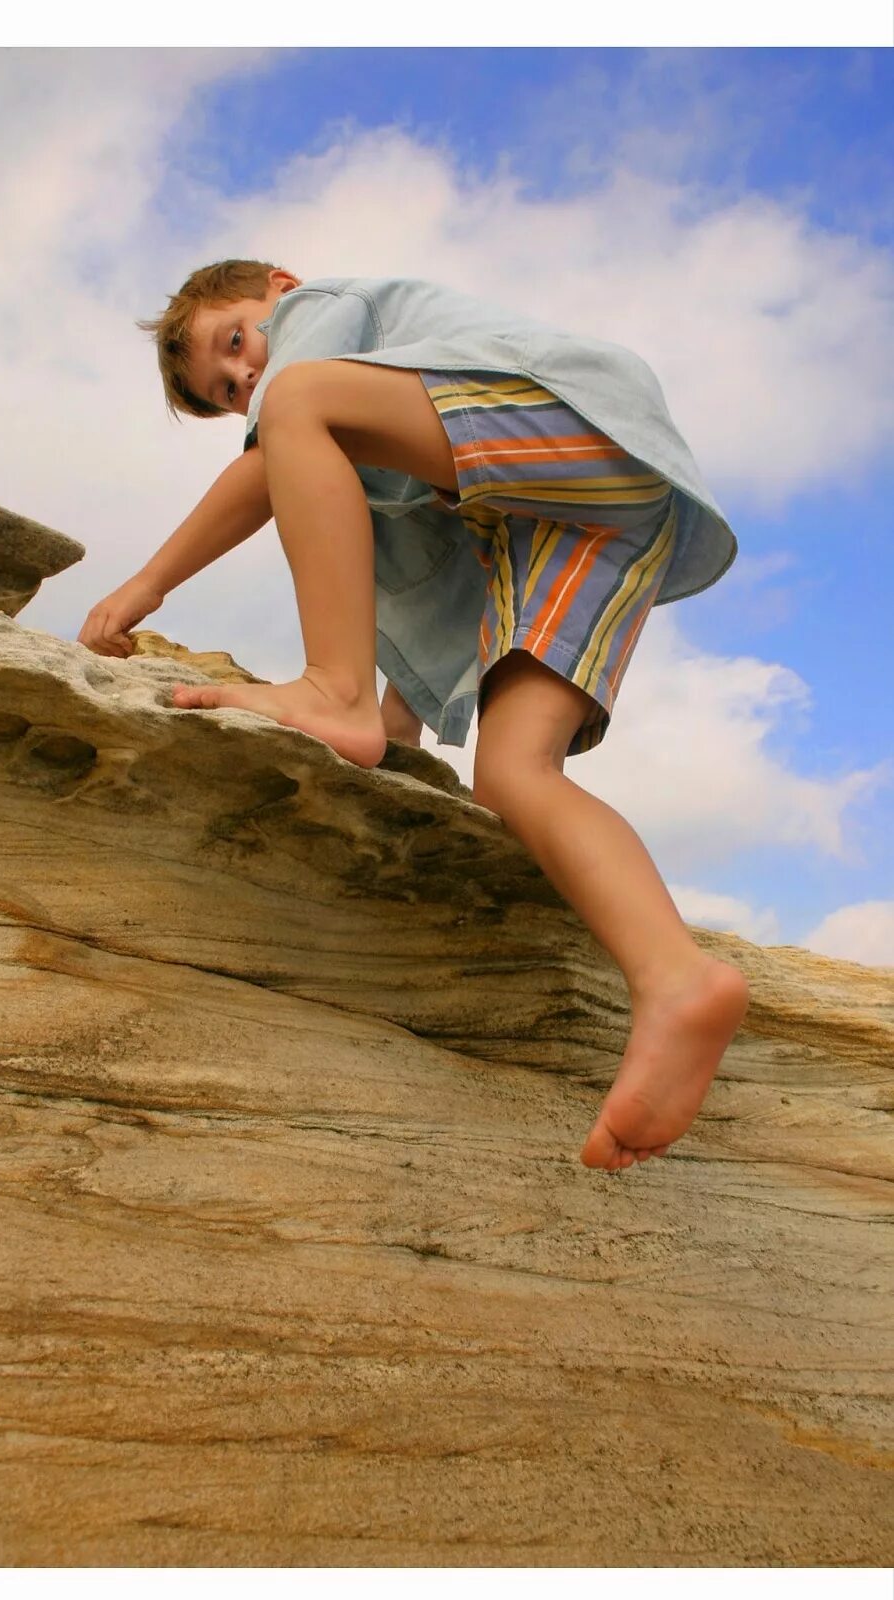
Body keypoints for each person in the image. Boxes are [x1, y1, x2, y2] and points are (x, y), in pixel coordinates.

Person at [78, 260, 750, 1173]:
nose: (246, 383)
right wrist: (395, 731)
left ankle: (331, 684)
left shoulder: (327, 313)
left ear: (278, 286)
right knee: (515, 775)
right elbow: (431, 599)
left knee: (301, 409)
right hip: (582, 519)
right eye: (227, 389)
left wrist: (145, 584)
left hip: (584, 424)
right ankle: (676, 978)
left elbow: (280, 442)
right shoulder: (397, 464)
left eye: (236, 342)